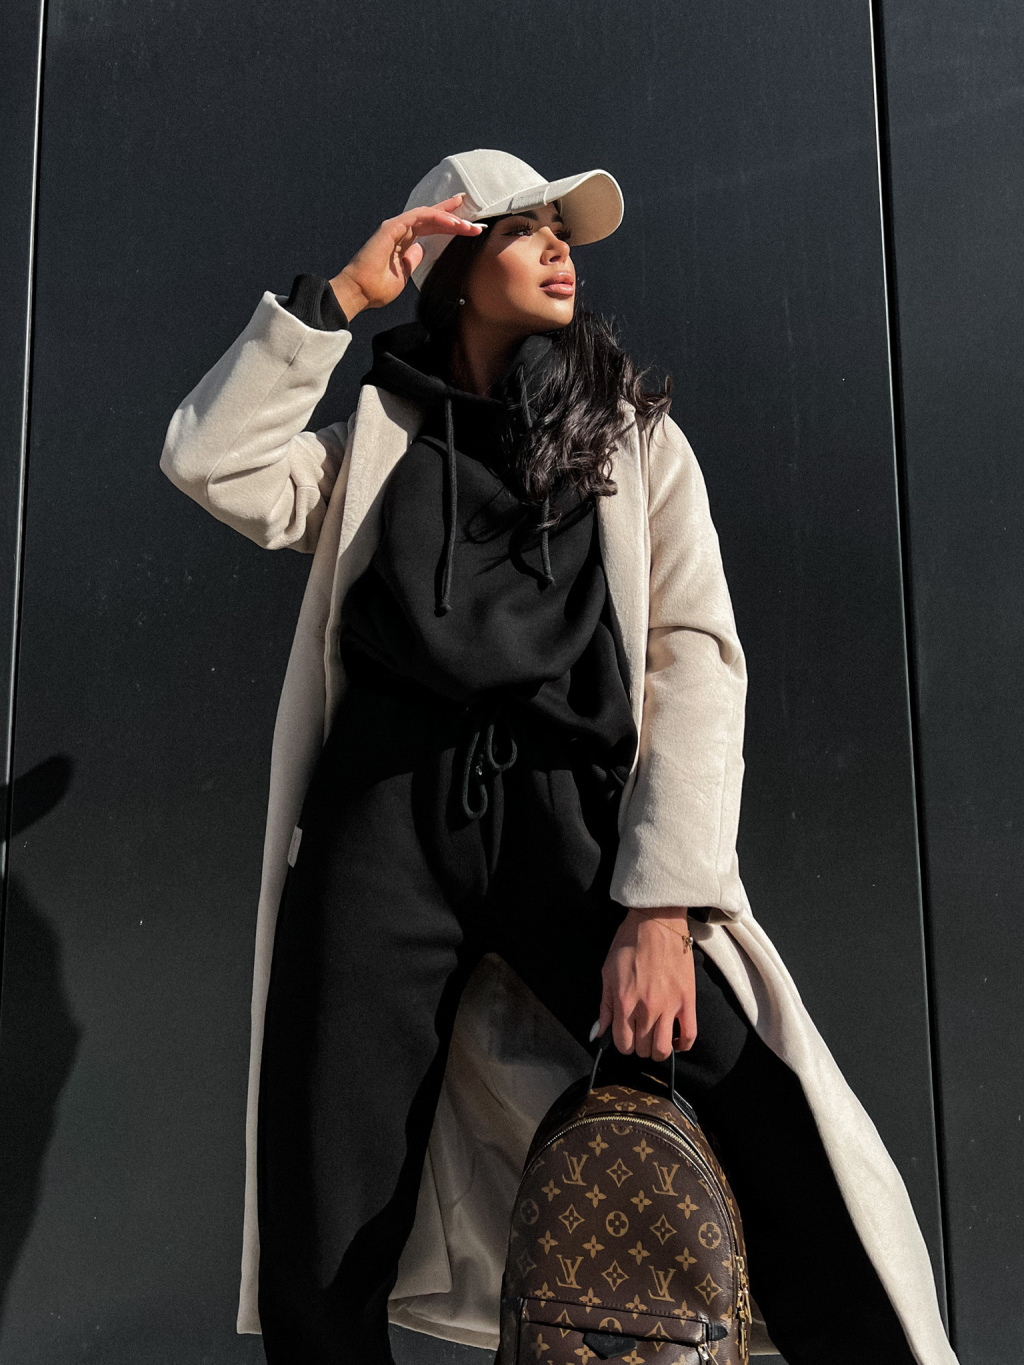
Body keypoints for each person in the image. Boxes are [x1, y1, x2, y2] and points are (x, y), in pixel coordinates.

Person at [159, 150, 958, 1365]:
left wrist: (661, 903)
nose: (556, 248)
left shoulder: (631, 441)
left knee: (768, 1125)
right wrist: (346, 298)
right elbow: (212, 463)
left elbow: (696, 661)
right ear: (454, 263)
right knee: (326, 1224)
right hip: (383, 824)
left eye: (563, 232)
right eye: (521, 229)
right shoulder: (374, 440)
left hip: (571, 818)